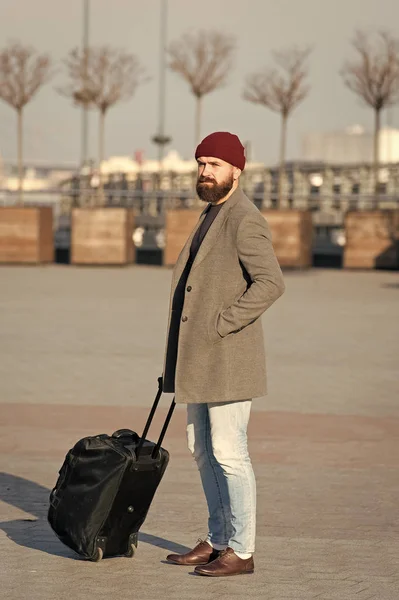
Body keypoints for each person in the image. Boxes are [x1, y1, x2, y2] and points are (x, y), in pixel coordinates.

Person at [162, 131, 285, 577]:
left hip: (229, 355)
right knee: (201, 448)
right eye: (201, 164)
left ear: (236, 169)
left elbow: (271, 282)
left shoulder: (243, 217)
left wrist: (222, 322)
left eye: (214, 164)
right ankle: (217, 540)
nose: (204, 172)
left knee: (230, 452)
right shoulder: (210, 214)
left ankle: (242, 550)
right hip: (200, 357)